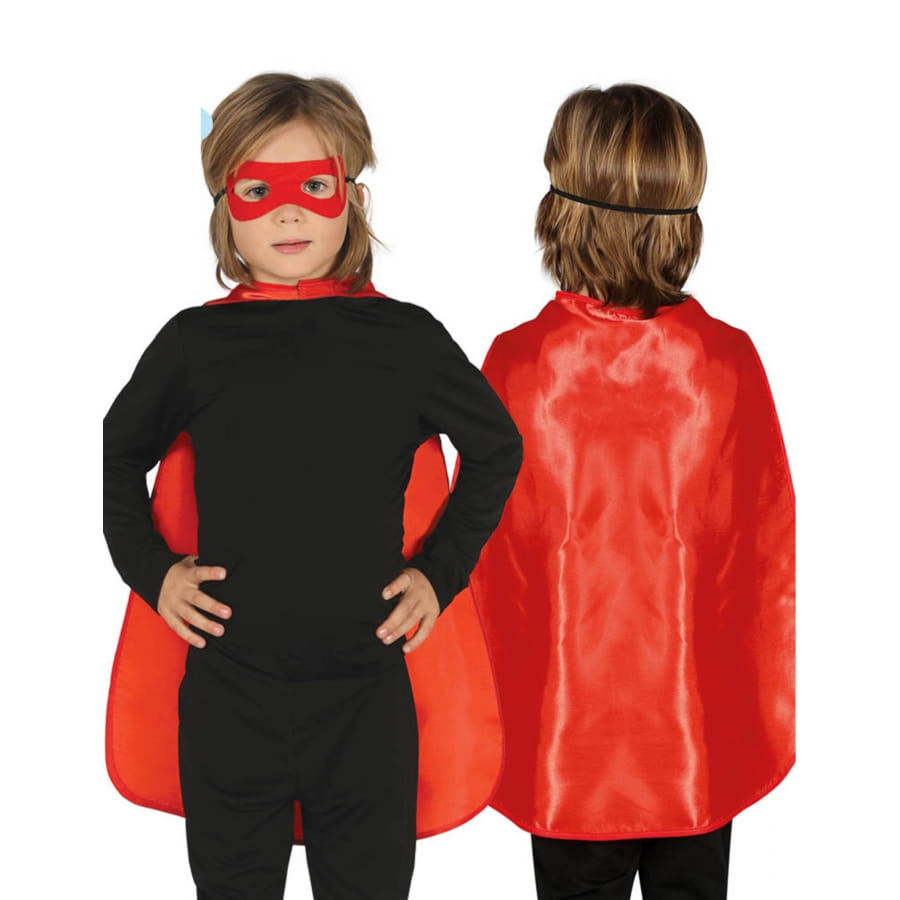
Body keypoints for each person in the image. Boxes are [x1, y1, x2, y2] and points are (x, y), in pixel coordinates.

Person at [103, 72, 522, 900]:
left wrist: (440, 575)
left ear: (353, 200)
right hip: (230, 701)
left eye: (314, 187)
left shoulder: (406, 340)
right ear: (225, 209)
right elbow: (119, 451)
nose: (288, 214)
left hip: (365, 703)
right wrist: (153, 573)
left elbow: (496, 447)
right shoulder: (195, 344)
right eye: (259, 191)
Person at [470, 84, 795, 900]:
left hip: (567, 747)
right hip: (695, 741)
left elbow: (492, 571)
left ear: (559, 211)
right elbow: (760, 559)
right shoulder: (727, 363)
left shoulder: (517, 365)